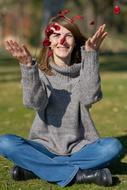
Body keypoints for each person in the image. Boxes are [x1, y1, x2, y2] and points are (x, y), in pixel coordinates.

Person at [0, 10, 123, 187]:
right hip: (44, 147)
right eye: (56, 35)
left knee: (113, 147)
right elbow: (34, 103)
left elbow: (90, 97)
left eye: (68, 36)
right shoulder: (39, 72)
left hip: (80, 148)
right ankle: (80, 175)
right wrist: (28, 67)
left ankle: (34, 169)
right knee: (5, 142)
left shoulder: (84, 70)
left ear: (74, 42)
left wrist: (90, 55)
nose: (62, 41)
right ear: (49, 42)